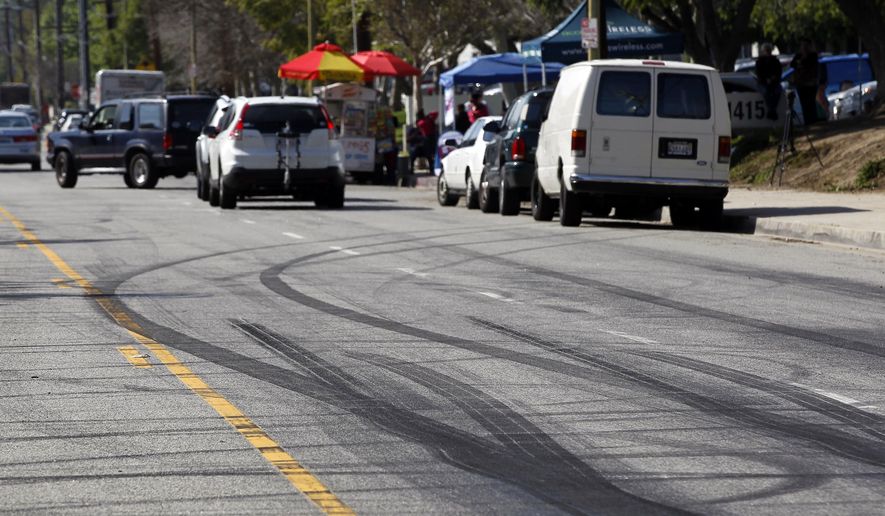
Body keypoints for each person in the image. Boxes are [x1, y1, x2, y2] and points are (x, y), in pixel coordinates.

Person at [790, 39, 820, 124]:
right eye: (802, 46)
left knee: (811, 102)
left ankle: (813, 120)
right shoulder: (798, 56)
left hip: (810, 83)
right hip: (801, 83)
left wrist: (802, 61)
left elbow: (810, 65)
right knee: (804, 103)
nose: (804, 48)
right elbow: (793, 64)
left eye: (806, 46)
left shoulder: (813, 56)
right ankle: (807, 121)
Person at [755, 43, 782, 121]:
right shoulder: (759, 61)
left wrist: (773, 78)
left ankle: (771, 110)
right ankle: (772, 111)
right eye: (766, 50)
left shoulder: (775, 61)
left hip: (774, 83)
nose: (767, 52)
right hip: (763, 83)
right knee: (766, 92)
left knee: (778, 91)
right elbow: (759, 74)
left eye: (768, 50)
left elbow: (778, 72)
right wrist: (766, 79)